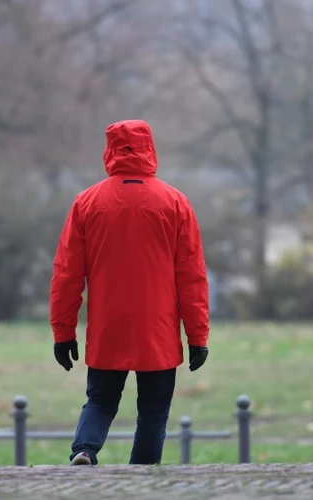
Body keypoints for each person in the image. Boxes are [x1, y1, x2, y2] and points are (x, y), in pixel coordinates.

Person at [49, 119, 210, 466]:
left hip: (109, 327)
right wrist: (198, 336)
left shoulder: (87, 203)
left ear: (109, 150)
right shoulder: (176, 203)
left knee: (100, 401)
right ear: (150, 148)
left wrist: (63, 333)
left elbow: (67, 274)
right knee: (152, 417)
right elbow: (191, 277)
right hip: (158, 330)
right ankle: (142, 481)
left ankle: (84, 450)